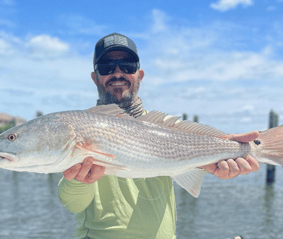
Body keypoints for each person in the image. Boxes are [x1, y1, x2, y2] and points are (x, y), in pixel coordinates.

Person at [58, 33, 259, 239]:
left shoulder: (169, 128)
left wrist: (226, 154)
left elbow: (201, 159)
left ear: (140, 75)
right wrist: (77, 180)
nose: (117, 73)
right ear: (95, 77)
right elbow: (74, 204)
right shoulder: (81, 127)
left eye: (127, 66)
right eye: (107, 67)